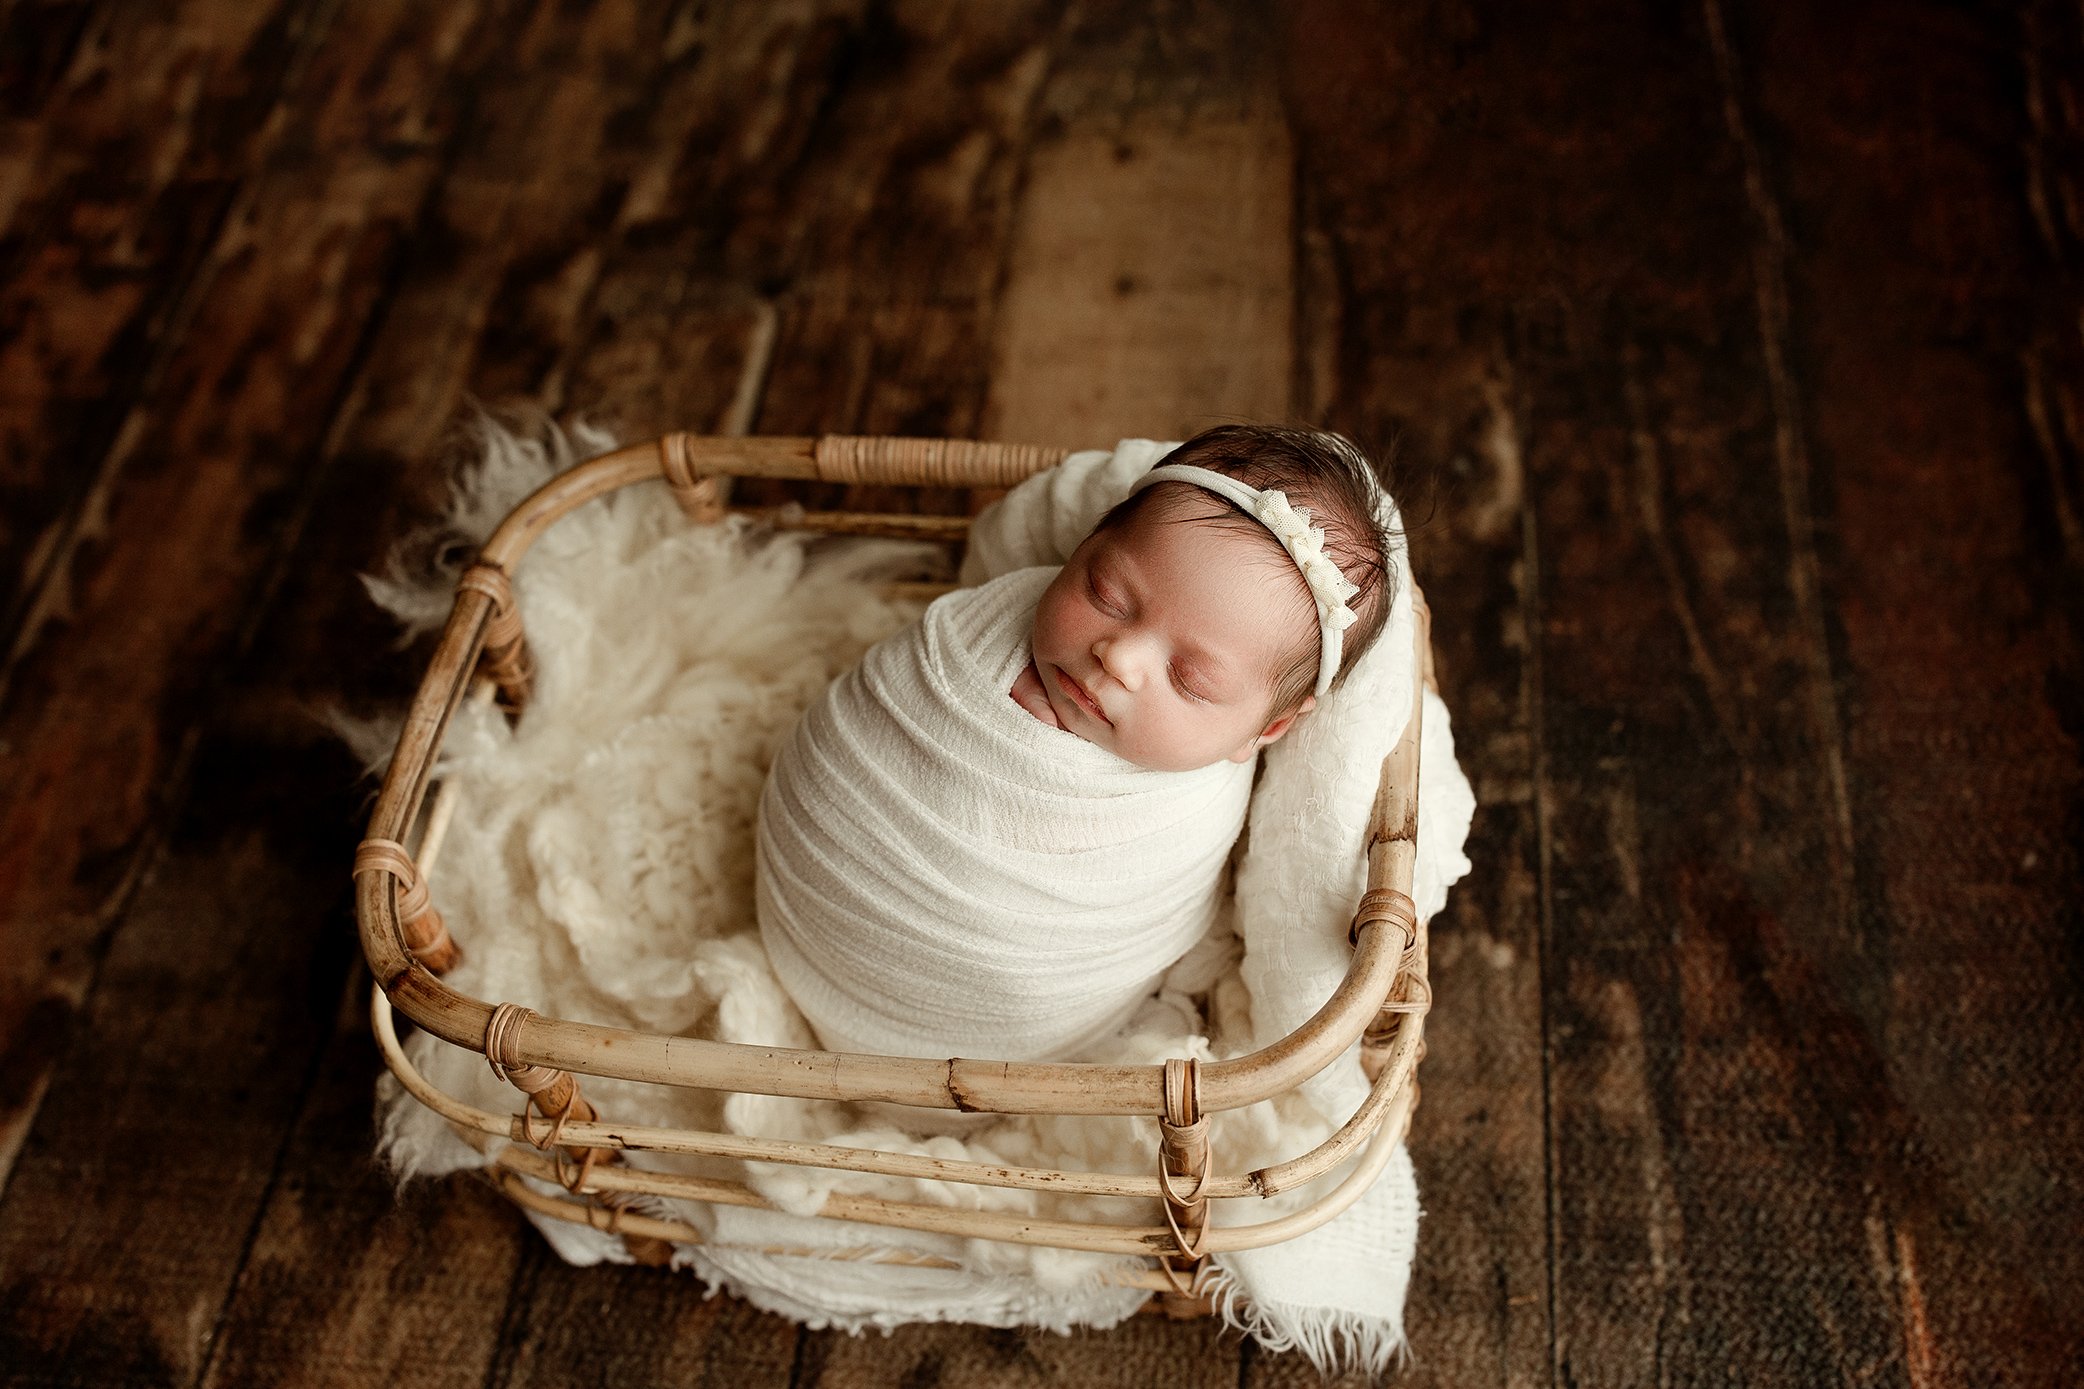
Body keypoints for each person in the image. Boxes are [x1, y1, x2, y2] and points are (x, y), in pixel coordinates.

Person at [754, 425, 1399, 1070]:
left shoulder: (1193, 807)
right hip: (812, 900)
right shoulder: (984, 627)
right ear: (1085, 542)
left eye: (1191, 680)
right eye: (1106, 596)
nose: (1118, 657)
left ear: (1267, 731)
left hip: (994, 1034)